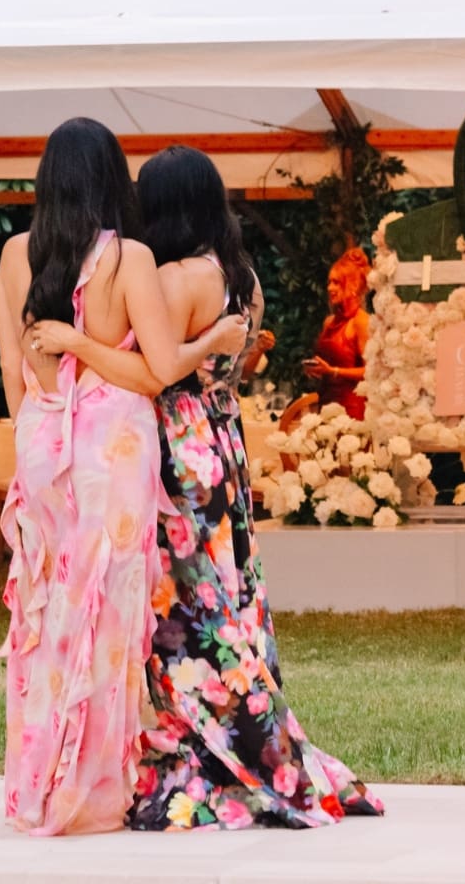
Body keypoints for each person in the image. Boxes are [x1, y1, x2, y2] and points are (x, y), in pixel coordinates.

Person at [31, 146, 384, 830]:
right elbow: (240, 363)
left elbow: (150, 373)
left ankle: (210, 747)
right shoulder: (237, 277)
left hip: (174, 452)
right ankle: (260, 733)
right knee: (232, 600)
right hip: (223, 442)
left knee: (184, 612)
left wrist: (74, 341)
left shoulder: (169, 277)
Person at [0, 118, 243, 835]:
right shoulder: (128, 259)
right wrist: (210, 341)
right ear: (111, 180)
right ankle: (95, 792)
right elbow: (160, 370)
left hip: (41, 440)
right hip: (114, 449)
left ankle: (33, 786)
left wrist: (41, 429)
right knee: (103, 616)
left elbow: (15, 372)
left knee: (42, 615)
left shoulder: (13, 256)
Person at [304, 248, 371, 419]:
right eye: (329, 282)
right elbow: (326, 365)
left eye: (336, 283)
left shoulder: (361, 322)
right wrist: (317, 371)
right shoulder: (329, 322)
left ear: (353, 286)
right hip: (326, 402)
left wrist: (334, 371)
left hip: (352, 408)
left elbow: (371, 371)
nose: (330, 288)